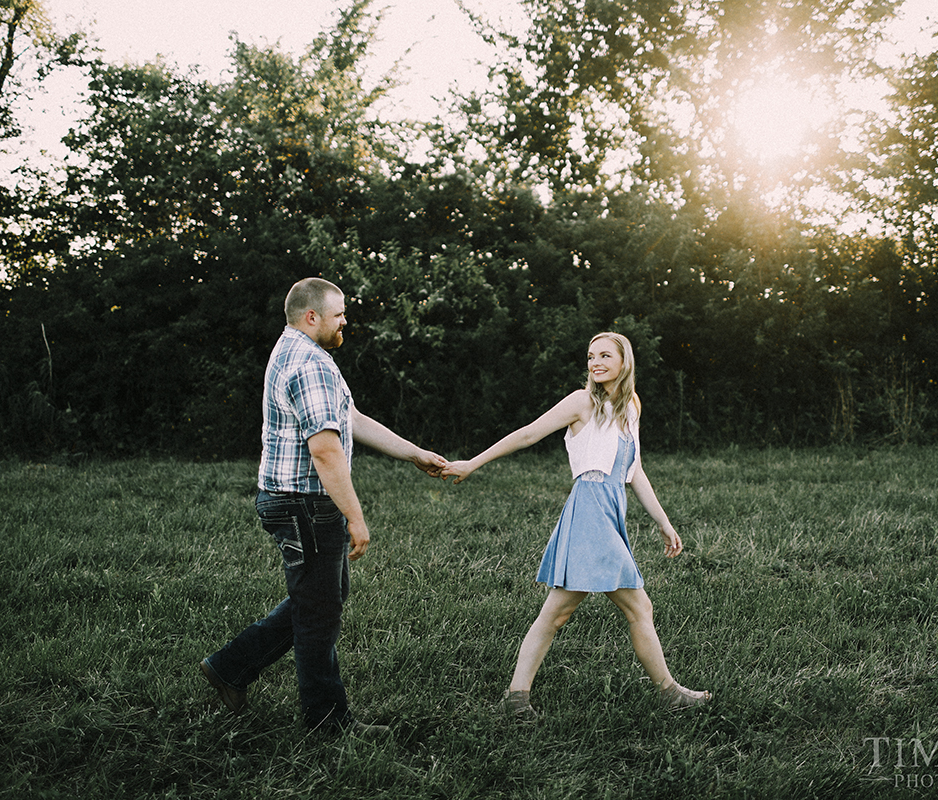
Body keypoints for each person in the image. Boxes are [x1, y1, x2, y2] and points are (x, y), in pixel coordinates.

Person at [199, 277, 447, 735]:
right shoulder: (310, 364)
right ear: (312, 316)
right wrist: (355, 516)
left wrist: (414, 453)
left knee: (319, 601)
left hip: (294, 502)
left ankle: (231, 666)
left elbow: (349, 418)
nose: (345, 322)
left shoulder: (297, 352)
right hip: (305, 506)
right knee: (319, 613)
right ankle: (327, 723)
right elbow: (326, 450)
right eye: (339, 314)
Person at [442, 332, 711, 719]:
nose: (595, 362)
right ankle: (670, 695)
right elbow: (528, 434)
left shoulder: (631, 406)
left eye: (605, 355)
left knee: (558, 614)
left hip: (610, 511)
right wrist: (472, 463)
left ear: (624, 362)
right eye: (590, 356)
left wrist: (664, 523)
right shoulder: (582, 402)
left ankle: (516, 698)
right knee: (636, 607)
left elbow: (634, 472)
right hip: (589, 511)